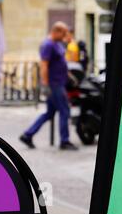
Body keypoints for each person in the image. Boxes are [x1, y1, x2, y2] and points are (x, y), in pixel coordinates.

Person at [20, 22, 78, 150]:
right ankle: (64, 141)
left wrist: (69, 76)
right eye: (63, 33)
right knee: (64, 111)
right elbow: (44, 66)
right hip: (55, 84)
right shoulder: (48, 45)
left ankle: (28, 134)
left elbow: (60, 63)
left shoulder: (56, 44)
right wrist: (46, 85)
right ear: (56, 31)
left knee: (49, 113)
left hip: (59, 82)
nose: (65, 36)